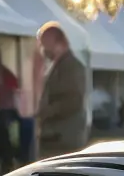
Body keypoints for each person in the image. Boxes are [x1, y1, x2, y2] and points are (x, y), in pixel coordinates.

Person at [35, 22, 88, 158]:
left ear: (58, 43)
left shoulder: (71, 67)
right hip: (55, 138)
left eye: (45, 44)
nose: (43, 49)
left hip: (63, 140)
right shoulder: (58, 66)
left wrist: (46, 111)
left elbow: (73, 100)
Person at [0, 48, 21, 172]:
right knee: (4, 138)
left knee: (3, 138)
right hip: (6, 109)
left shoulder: (0, 72)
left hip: (4, 109)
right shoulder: (5, 72)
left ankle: (6, 162)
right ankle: (6, 161)